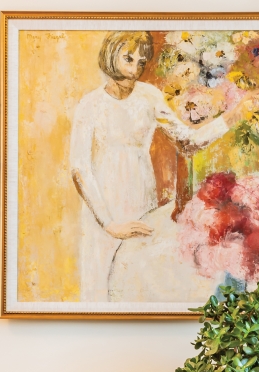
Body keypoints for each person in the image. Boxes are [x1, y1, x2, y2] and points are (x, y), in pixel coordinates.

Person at [69, 31, 248, 302]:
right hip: (102, 205)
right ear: (110, 54)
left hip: (141, 197)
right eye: (128, 58)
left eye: (141, 61)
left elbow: (187, 142)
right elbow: (80, 168)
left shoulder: (149, 96)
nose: (135, 67)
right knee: (101, 286)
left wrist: (232, 117)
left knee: (136, 279)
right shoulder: (89, 104)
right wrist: (108, 223)